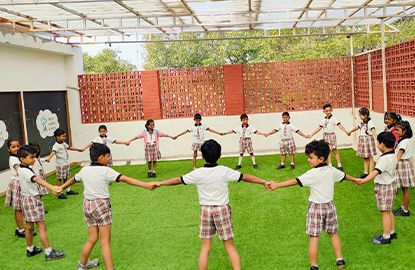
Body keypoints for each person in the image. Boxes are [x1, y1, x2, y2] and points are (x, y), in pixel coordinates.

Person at [155, 139, 267, 270]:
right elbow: (245, 177)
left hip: (205, 211)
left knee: (205, 247)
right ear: (219, 154)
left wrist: (160, 183)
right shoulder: (224, 170)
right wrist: (263, 182)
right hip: (222, 209)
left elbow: (178, 180)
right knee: (229, 246)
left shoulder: (197, 173)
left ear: (202, 156)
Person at [60, 143, 158, 270]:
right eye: (107, 156)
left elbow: (73, 179)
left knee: (92, 238)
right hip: (101, 205)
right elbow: (125, 179)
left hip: (87, 205)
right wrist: (145, 185)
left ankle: (82, 265)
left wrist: (61, 187)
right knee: (105, 240)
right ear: (100, 158)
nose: (109, 159)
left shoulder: (85, 170)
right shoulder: (106, 170)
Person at [266, 140, 356, 270]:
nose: (308, 160)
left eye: (311, 158)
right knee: (333, 233)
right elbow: (345, 176)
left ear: (321, 158)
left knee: (314, 237)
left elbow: (295, 181)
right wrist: (355, 180)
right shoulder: (331, 170)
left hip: (316, 209)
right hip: (330, 207)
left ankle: (314, 265)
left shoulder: (312, 174)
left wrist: (277, 185)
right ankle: (340, 260)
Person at [17, 145, 65, 260]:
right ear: (22, 159)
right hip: (32, 200)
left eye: (34, 157)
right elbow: (37, 179)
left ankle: (30, 249)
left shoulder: (23, 168)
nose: (34, 159)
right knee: (41, 226)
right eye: (31, 157)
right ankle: (49, 252)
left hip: (26, 199)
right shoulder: (25, 171)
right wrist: (52, 187)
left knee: (29, 226)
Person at [355, 132, 397, 244]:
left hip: (384, 187)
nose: (378, 145)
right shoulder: (393, 155)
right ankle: (392, 232)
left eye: (378, 143)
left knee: (385, 212)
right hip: (391, 185)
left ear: (382, 144)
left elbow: (375, 172)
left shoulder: (384, 159)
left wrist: (363, 181)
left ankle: (386, 236)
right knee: (388, 210)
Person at [308, 103, 349, 171]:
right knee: (328, 150)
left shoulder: (334, 118)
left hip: (331, 136)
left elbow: (339, 125)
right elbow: (319, 128)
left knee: (334, 150)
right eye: (326, 111)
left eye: (329, 110)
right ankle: (330, 165)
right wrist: (312, 134)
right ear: (323, 111)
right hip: (325, 136)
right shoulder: (323, 120)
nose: (328, 112)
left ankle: (339, 165)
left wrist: (346, 131)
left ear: (332, 110)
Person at [45, 128, 83, 199]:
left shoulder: (63, 143)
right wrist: (49, 158)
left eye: (65, 136)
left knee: (66, 177)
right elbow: (53, 152)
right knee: (59, 179)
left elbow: (70, 147)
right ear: (57, 137)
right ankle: (59, 193)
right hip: (60, 165)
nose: (64, 137)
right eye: (63, 136)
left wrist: (78, 149)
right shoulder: (56, 145)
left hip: (66, 164)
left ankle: (68, 190)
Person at [4, 138, 29, 238]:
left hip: (22, 183)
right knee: (18, 208)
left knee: (21, 207)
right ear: (8, 149)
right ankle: (20, 229)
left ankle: (22, 227)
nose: (16, 148)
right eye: (13, 147)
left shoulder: (19, 156)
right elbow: (18, 170)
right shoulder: (13, 159)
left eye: (18, 146)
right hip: (17, 184)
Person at [347, 107, 377, 178]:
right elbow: (357, 128)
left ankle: (371, 173)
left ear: (366, 115)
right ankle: (366, 173)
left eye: (361, 115)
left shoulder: (370, 122)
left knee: (370, 157)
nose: (360, 117)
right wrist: (350, 131)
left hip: (368, 140)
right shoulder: (362, 123)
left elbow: (373, 130)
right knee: (365, 157)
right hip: (362, 140)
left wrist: (377, 138)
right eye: (360, 115)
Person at [392, 120, 414, 217]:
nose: (395, 132)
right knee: (403, 188)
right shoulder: (402, 140)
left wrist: (392, 166)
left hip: (402, 166)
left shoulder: (404, 142)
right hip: (402, 165)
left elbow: (399, 155)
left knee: (405, 189)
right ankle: (403, 207)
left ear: (404, 131)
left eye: (398, 130)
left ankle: (405, 210)